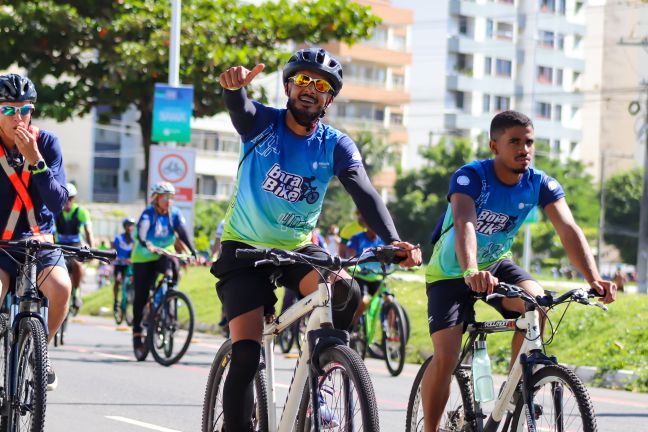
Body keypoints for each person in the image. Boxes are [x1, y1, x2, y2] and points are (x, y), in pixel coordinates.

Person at [212, 47, 422, 431]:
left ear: (329, 98)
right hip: (244, 249)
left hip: (297, 249)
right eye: (304, 80)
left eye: (322, 85)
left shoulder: (336, 144)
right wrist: (233, 89)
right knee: (245, 353)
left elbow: (366, 193)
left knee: (345, 291)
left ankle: (321, 374)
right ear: (289, 86)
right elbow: (240, 108)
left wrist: (395, 241)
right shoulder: (262, 123)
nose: (311, 88)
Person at [420, 110, 617, 432]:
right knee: (446, 357)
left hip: (496, 264)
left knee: (537, 303)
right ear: (494, 145)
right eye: (515, 141)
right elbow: (464, 221)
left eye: (529, 142)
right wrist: (470, 269)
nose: (524, 148)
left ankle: (514, 390)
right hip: (451, 272)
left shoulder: (540, 183)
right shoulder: (471, 176)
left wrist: (593, 278)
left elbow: (568, 229)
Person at [0, 73, 70, 390]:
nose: (18, 118)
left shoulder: (47, 142)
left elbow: (57, 203)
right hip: (1, 246)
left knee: (61, 289)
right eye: (9, 110)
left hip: (38, 243)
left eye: (25, 110)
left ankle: (37, 353)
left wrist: (37, 161)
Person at [130, 181, 198, 359]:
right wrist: (148, 244)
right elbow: (142, 233)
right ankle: (137, 332)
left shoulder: (174, 214)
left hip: (164, 254)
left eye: (171, 197)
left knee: (173, 265)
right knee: (141, 296)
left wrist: (193, 251)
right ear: (155, 198)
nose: (168, 200)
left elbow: (183, 232)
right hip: (144, 258)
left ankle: (168, 296)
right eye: (164, 197)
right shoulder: (148, 213)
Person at [55, 182, 94, 313]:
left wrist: (92, 249)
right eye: (65, 198)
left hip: (75, 244)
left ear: (74, 199)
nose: (67, 201)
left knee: (77, 265)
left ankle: (76, 292)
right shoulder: (56, 211)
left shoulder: (81, 211)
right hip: (59, 244)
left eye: (70, 198)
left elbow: (89, 231)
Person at [112, 218, 135, 313]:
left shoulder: (135, 240)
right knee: (117, 280)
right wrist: (114, 256)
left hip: (129, 265)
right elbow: (112, 249)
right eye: (128, 225)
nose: (130, 227)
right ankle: (116, 300)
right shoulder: (118, 238)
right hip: (119, 264)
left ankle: (129, 297)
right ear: (125, 227)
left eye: (132, 225)